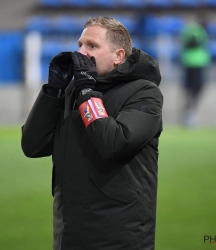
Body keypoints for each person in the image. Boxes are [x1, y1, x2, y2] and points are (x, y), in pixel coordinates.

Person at [21, 16, 163, 250]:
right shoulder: (71, 90)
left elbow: (114, 142)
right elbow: (32, 146)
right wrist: (53, 91)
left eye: (92, 46)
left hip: (120, 235)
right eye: (80, 44)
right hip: (69, 231)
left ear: (118, 56)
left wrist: (86, 92)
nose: (81, 53)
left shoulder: (144, 93)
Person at [179, 20, 210, 127]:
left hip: (191, 62)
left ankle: (189, 113)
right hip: (195, 63)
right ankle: (189, 114)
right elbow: (192, 43)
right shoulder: (197, 32)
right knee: (195, 88)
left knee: (191, 89)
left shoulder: (190, 31)